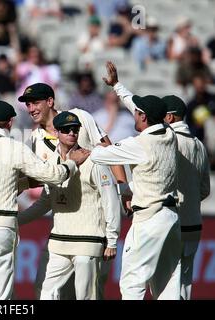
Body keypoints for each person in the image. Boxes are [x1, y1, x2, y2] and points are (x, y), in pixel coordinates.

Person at [0, 101, 89, 300]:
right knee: (0, 295)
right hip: (1, 227)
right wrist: (72, 163)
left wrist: (24, 183)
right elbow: (53, 176)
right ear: (10, 122)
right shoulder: (14, 147)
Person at [90, 61, 181, 300]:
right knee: (169, 285)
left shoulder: (139, 144)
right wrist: (117, 86)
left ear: (143, 117)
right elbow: (136, 107)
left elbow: (99, 155)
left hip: (148, 219)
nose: (134, 113)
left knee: (132, 282)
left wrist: (86, 147)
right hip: (171, 217)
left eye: (138, 112)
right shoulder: (168, 133)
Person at [18, 111, 120, 300]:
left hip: (87, 241)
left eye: (75, 129)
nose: (72, 133)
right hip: (59, 241)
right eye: (66, 130)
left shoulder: (94, 160)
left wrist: (112, 240)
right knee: (45, 292)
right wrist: (17, 221)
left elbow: (111, 200)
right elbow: (45, 201)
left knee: (86, 296)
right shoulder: (53, 164)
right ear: (56, 132)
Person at [162, 95, 211, 299]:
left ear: (171, 117)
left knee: (169, 280)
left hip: (172, 223)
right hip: (194, 224)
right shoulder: (198, 144)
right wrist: (189, 200)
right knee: (185, 281)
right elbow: (205, 190)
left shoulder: (167, 141)